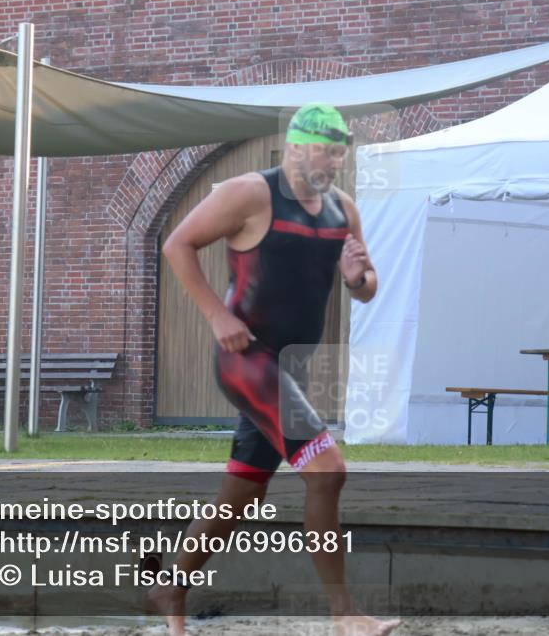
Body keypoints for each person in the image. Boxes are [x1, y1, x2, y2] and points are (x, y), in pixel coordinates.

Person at [152, 103, 400, 636]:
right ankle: (345, 616)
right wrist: (217, 315)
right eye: (324, 150)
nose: (333, 161)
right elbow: (177, 244)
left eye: (339, 152)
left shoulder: (343, 210)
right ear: (294, 146)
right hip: (246, 361)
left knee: (242, 497)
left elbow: (368, 285)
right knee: (328, 471)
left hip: (290, 371)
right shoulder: (249, 193)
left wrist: (358, 278)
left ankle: (172, 584)